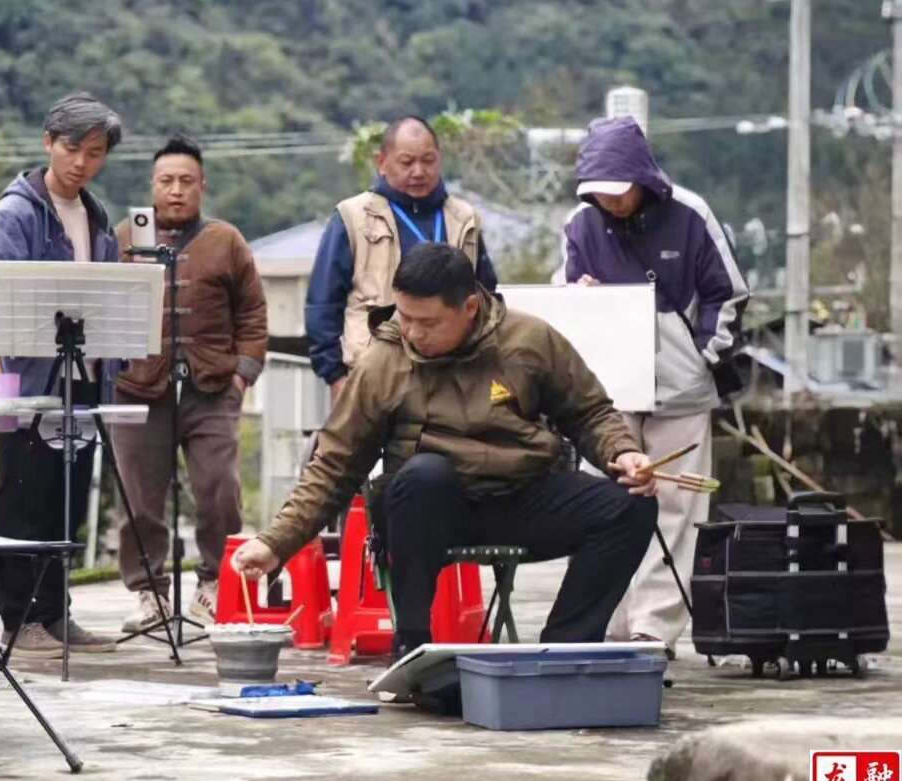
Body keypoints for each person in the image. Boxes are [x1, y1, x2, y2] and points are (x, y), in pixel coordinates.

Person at [233, 243, 660, 661]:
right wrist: (275, 543)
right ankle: (413, 646)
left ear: (470, 307)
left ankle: (565, 649)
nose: (414, 333)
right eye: (405, 318)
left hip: (522, 495)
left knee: (630, 506)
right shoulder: (383, 360)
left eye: (429, 322)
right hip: (429, 511)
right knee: (424, 476)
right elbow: (334, 464)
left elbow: (589, 412)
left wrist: (622, 452)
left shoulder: (529, 340)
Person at [554, 116, 749, 653]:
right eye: (599, 193)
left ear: (644, 177)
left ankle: (651, 629)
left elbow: (727, 293)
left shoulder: (691, 214)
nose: (610, 203)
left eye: (618, 191)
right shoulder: (580, 223)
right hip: (608, 393)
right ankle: (607, 623)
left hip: (681, 391)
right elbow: (562, 292)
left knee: (677, 507)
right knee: (606, 502)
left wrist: (702, 356)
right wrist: (580, 292)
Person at [0, 92, 121, 659]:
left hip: (80, 375)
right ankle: (18, 620)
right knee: (24, 499)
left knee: (68, 498)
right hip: (24, 380)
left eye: (95, 152)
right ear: (48, 142)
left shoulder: (96, 215)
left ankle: (56, 614)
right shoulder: (17, 212)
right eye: (72, 147)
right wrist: (4, 392)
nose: (81, 161)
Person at [111, 133, 268, 631]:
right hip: (138, 387)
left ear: (202, 185)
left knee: (218, 489)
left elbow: (254, 313)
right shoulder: (124, 239)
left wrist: (242, 376)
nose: (175, 190)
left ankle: (214, 583)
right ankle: (149, 593)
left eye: (185, 181)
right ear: (152, 185)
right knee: (138, 496)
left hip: (212, 388)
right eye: (166, 181)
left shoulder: (227, 240)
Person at [306, 115, 500, 400]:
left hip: (456, 374)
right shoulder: (352, 217)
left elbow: (487, 295)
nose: (419, 171)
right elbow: (323, 304)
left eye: (428, 160)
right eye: (407, 162)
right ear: (381, 162)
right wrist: (335, 376)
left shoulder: (465, 218)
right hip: (372, 371)